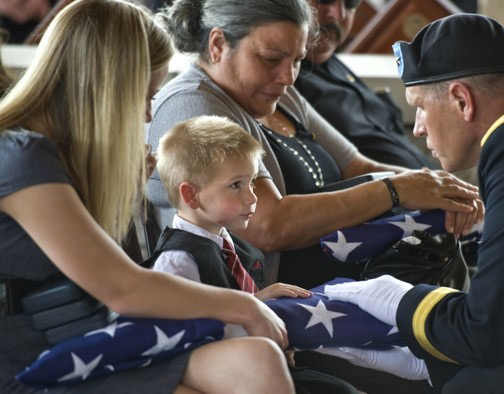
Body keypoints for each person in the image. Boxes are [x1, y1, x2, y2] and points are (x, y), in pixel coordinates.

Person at [0, 1, 295, 393]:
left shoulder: (53, 157)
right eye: (144, 97)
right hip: (28, 362)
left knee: (256, 359)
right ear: (107, 89)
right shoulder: (22, 157)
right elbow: (123, 288)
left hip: (76, 344)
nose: (146, 116)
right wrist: (244, 305)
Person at [324, 13, 504, 394]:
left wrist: (401, 302)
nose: (418, 127)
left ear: (461, 99)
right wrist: (436, 364)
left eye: (420, 106)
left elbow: (489, 331)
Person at [147, 0, 483, 292]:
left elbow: (359, 167)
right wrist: (397, 190)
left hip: (347, 277)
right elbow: (266, 226)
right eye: (270, 58)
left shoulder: (281, 95)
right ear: (218, 44)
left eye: (296, 61)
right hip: (272, 300)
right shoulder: (191, 105)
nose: (288, 76)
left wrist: (441, 189)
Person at [150, 114, 373, 394]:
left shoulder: (230, 243)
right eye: (236, 185)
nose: (252, 197)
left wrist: (260, 303)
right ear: (192, 195)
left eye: (252, 183)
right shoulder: (177, 261)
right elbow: (187, 341)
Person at [295, 0, 435, 169]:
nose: (339, 15)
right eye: (325, 0)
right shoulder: (285, 84)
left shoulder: (334, 64)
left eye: (350, 4)